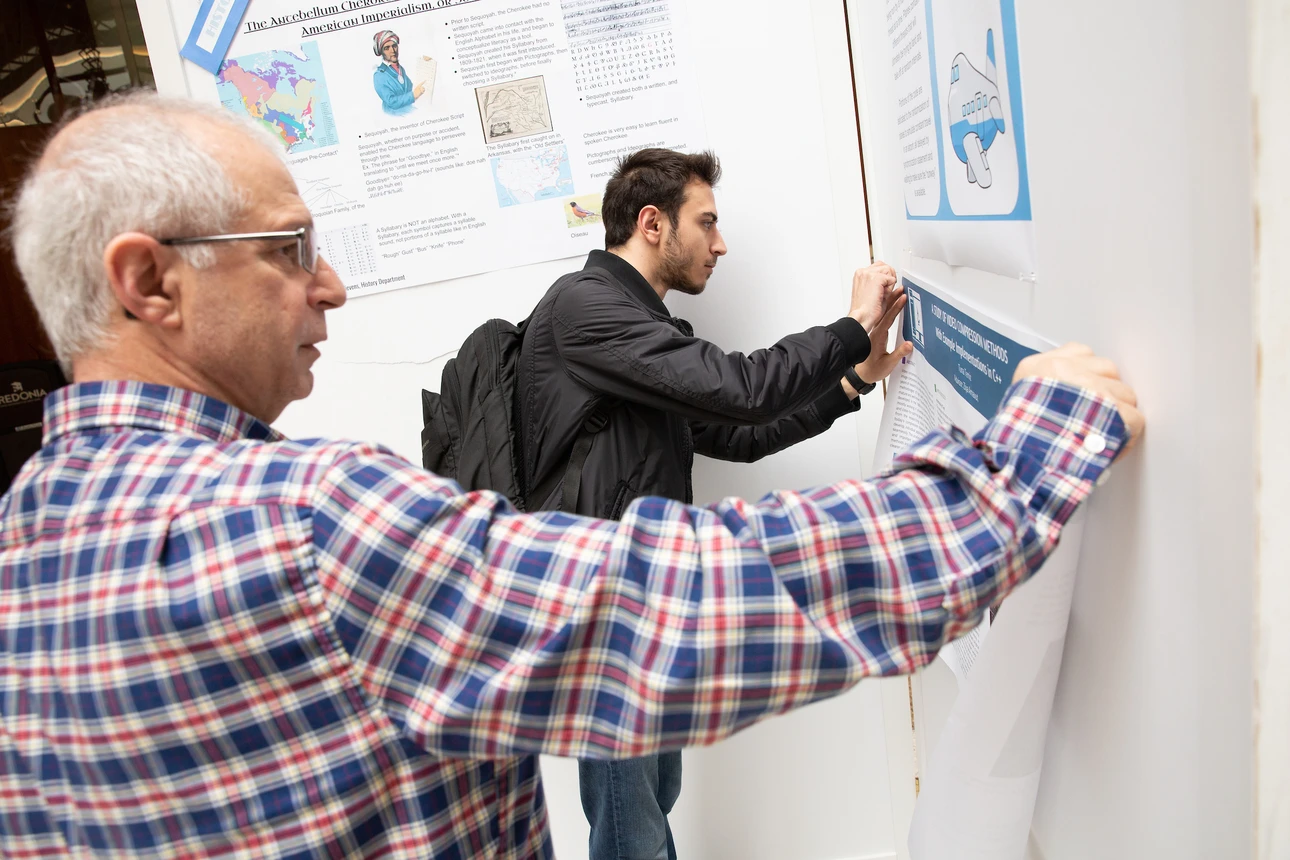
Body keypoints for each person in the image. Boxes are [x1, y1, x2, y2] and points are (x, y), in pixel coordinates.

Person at [0, 92, 1142, 860]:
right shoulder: (308, 517)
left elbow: (728, 434)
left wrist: (851, 384)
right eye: (291, 247)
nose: (330, 285)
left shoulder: (23, 531)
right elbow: (695, 559)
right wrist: (1014, 458)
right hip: (578, 608)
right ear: (150, 281)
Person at [517, 148, 913, 860]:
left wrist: (850, 382)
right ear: (652, 224)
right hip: (603, 603)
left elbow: (737, 431)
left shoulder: (638, 329)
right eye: (707, 222)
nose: (720, 243)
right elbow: (741, 388)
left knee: (647, 799)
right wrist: (852, 324)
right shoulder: (587, 308)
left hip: (642, 594)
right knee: (629, 822)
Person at [372, 29, 424, 114]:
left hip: (410, 112)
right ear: (381, 52)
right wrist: (413, 95)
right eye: (387, 48)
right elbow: (391, 102)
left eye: (394, 46)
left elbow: (410, 88)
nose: (392, 50)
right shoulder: (379, 75)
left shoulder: (400, 69)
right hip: (394, 117)